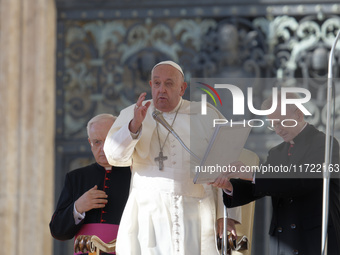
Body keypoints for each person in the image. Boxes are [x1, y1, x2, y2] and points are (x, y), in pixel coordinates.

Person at [103, 60, 241, 255]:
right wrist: (134, 126)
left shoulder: (207, 116)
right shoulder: (133, 114)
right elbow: (114, 157)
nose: (162, 90)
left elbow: (226, 167)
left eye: (169, 84)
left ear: (182, 88)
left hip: (197, 212)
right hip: (148, 211)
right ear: (151, 85)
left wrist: (227, 217)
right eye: (157, 83)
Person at [212, 93, 340, 255]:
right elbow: (260, 186)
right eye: (273, 125)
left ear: (299, 115)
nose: (278, 130)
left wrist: (252, 174)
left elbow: (302, 181)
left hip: (314, 240)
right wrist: (230, 186)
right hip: (283, 242)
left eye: (281, 123)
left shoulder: (325, 144)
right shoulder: (277, 152)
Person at [49, 114, 131, 254]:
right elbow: (58, 231)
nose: (103, 148)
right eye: (97, 142)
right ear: (90, 143)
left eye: (108, 140)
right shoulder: (76, 177)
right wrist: (78, 207)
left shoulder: (134, 176)